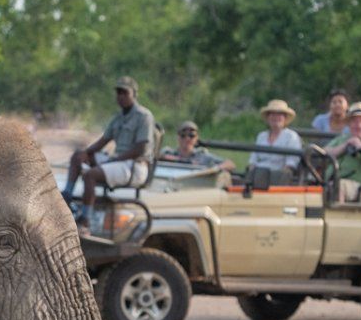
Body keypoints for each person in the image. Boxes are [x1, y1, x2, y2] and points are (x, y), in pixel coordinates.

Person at [64, 75, 155, 218]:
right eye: (118, 92)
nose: (121, 96)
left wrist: (114, 160)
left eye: (125, 93)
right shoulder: (118, 118)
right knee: (77, 156)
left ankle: (85, 219)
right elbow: (103, 142)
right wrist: (85, 154)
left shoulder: (143, 116)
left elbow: (141, 149)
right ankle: (67, 197)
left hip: (134, 166)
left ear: (134, 94)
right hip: (119, 161)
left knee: (90, 175)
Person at [248, 99, 303, 173]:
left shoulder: (291, 136)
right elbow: (253, 160)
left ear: (285, 118)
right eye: (272, 114)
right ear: (268, 117)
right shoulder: (261, 136)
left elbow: (291, 163)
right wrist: (251, 173)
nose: (275, 117)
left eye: (279, 114)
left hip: (279, 175)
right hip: (259, 173)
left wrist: (280, 176)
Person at [159, 121, 234, 173]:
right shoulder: (167, 153)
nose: (187, 139)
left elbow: (230, 164)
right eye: (183, 135)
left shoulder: (203, 156)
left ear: (196, 138)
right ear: (178, 137)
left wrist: (215, 169)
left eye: (191, 136)